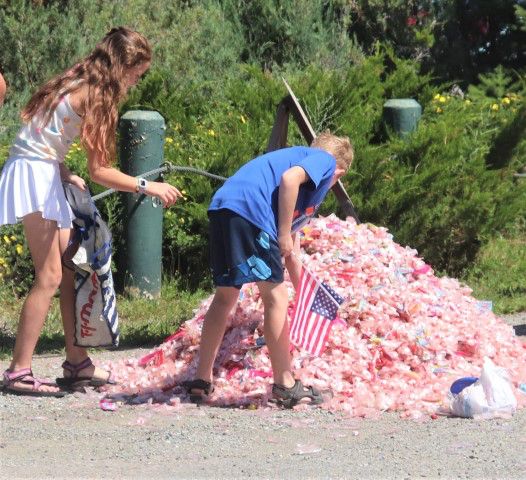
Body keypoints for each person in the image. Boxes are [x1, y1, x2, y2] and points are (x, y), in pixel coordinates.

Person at [0, 27, 182, 396]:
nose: (135, 81)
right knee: (49, 275)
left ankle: (77, 362)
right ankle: (18, 371)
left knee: (70, 267)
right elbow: (101, 171)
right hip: (35, 176)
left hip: (41, 170)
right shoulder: (98, 95)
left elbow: (38, 132)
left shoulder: (74, 79)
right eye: (136, 73)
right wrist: (149, 186)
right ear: (122, 66)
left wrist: (63, 170)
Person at [184, 132, 354, 408]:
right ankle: (285, 384)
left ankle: (201, 381)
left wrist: (306, 293)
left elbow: (291, 253)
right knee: (275, 298)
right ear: (339, 173)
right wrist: (284, 233)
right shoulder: (323, 161)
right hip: (251, 211)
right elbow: (290, 184)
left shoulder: (292, 172)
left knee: (225, 296)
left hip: (224, 208)